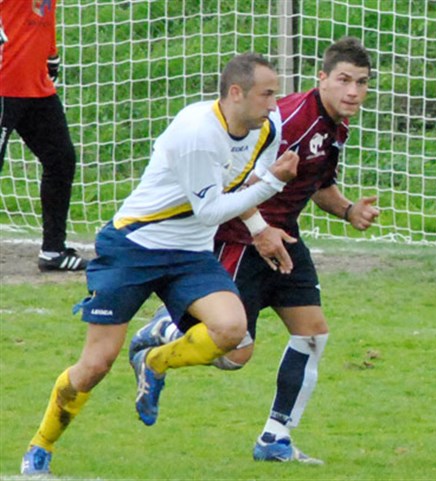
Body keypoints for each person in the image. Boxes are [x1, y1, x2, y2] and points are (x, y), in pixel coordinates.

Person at [20, 53, 299, 476]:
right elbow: (211, 210)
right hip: (134, 247)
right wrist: (275, 183)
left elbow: (239, 185)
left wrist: (260, 228)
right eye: (267, 94)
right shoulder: (197, 133)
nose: (275, 104)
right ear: (236, 93)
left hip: (189, 255)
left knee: (231, 331)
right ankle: (40, 447)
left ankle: (153, 362)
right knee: (95, 364)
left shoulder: (267, 130)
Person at [129, 37, 379, 464]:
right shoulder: (290, 120)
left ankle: (274, 439)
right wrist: (260, 231)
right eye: (343, 80)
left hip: (284, 235)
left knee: (313, 332)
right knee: (236, 353)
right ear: (322, 78)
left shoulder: (336, 124)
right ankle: (164, 331)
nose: (353, 91)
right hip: (244, 237)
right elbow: (238, 182)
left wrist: (348, 210)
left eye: (362, 82)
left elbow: (316, 182)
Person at [0, 0, 88, 271]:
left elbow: (43, 19)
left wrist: (51, 59)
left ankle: (53, 251)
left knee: (61, 160)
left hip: (36, 87)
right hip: (3, 85)